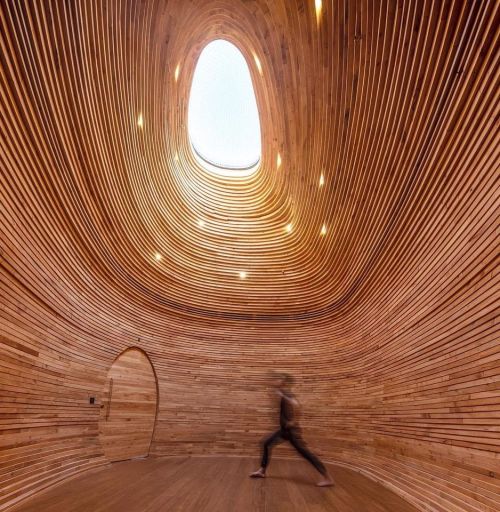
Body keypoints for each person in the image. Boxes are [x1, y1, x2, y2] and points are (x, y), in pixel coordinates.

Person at [250, 372, 334, 487]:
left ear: (284, 382)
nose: (275, 381)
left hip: (291, 432)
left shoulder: (287, 393)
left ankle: (327, 478)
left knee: (305, 453)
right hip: (284, 430)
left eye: (278, 379)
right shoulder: (281, 393)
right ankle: (262, 471)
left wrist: (294, 421)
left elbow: (297, 405)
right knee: (266, 443)